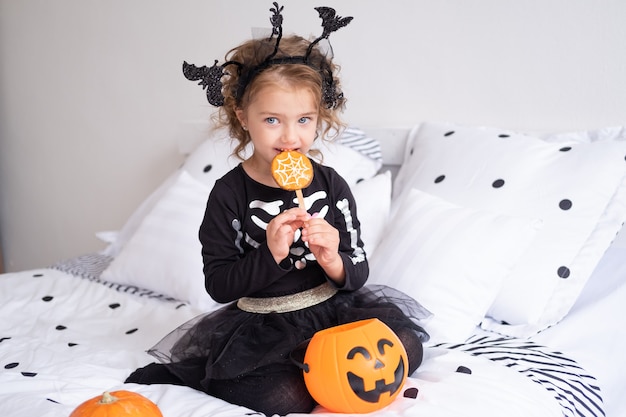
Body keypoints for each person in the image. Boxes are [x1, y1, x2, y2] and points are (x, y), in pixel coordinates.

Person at [126, 4, 429, 416]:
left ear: (318, 119)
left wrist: (333, 257)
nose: (290, 137)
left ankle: (324, 379)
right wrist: (271, 255)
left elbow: (357, 274)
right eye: (272, 119)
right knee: (282, 396)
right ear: (242, 117)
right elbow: (219, 284)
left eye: (304, 119)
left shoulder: (331, 185)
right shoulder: (228, 194)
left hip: (331, 311)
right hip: (264, 324)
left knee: (407, 348)